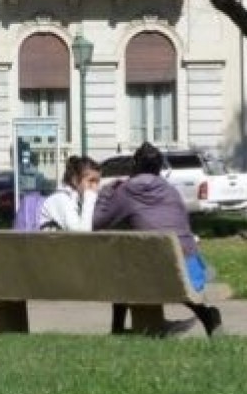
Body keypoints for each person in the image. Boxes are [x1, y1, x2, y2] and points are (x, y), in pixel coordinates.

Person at [93, 141, 223, 338]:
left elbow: (98, 222)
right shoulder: (171, 191)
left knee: (121, 270)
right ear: (159, 167)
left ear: (134, 165)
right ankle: (206, 315)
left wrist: (106, 193)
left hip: (153, 273)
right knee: (166, 269)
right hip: (189, 270)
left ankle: (117, 328)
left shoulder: (126, 191)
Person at [39, 155, 101, 231]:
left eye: (97, 182)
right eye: (91, 181)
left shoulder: (78, 200)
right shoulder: (61, 198)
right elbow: (82, 234)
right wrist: (89, 199)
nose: (96, 187)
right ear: (75, 180)